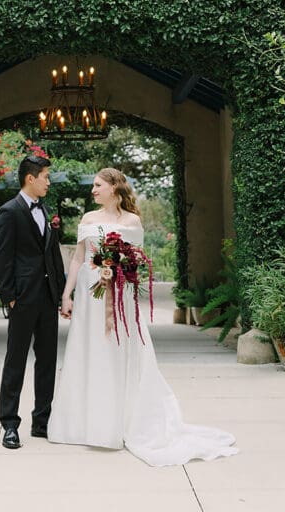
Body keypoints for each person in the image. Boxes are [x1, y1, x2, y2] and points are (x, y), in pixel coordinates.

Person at [48, 167, 238, 466]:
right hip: (90, 293)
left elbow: (135, 259)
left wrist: (119, 265)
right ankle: (87, 422)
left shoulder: (132, 221)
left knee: (118, 350)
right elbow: (77, 258)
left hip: (120, 293)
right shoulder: (87, 219)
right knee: (90, 351)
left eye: (98, 185)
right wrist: (66, 294)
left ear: (113, 188)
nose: (93, 191)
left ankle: (120, 420)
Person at [0, 153, 65, 449]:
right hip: (22, 299)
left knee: (47, 361)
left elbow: (51, 253)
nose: (49, 181)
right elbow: (1, 257)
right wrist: (9, 297)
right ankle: (10, 424)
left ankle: (41, 421)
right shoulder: (9, 211)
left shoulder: (45, 209)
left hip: (47, 299)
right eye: (46, 176)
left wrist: (60, 294)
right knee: (16, 361)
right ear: (30, 178)